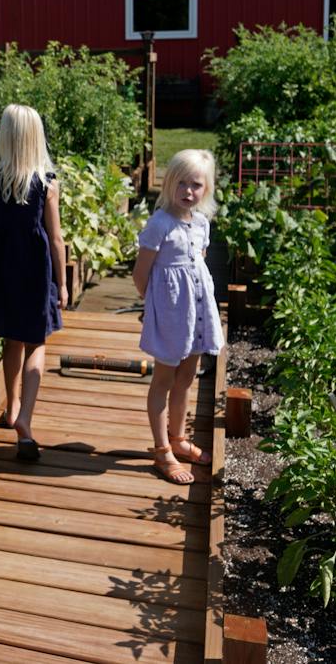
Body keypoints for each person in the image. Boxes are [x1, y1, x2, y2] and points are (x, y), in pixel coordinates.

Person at [0, 103, 67, 461]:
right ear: (36, 139)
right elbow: (56, 239)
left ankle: (11, 407)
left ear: (6, 138)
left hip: (2, 273)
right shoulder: (46, 184)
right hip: (35, 275)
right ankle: (25, 419)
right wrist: (62, 283)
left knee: (12, 343)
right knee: (36, 345)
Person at [132, 148, 223, 485]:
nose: (188, 191)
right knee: (164, 380)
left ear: (206, 190)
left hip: (197, 313)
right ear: (169, 184)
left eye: (196, 185)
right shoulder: (160, 224)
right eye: (182, 183)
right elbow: (141, 274)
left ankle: (178, 437)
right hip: (171, 315)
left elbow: (196, 264)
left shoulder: (200, 223)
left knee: (187, 377)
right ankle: (161, 450)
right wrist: (154, 306)